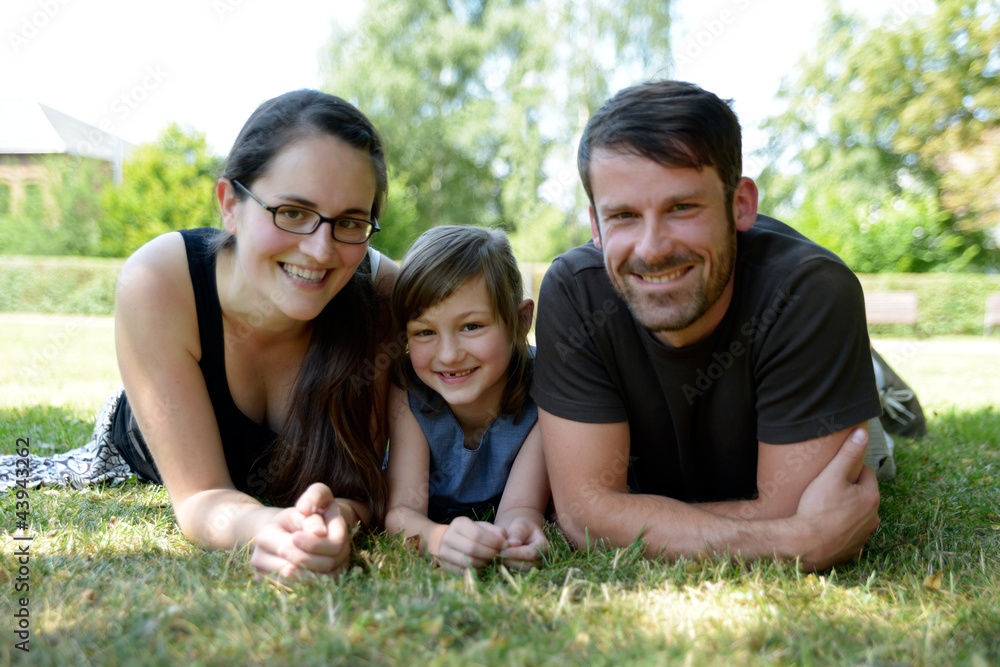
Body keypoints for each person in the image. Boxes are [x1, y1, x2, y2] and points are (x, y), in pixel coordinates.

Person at [0, 90, 397, 578]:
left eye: (351, 221)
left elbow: (367, 487)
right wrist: (270, 527)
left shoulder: (383, 295)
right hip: (137, 452)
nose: (320, 250)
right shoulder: (159, 280)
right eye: (292, 212)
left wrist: (337, 518)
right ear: (230, 203)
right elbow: (199, 497)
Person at [531, 80, 882, 571]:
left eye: (681, 208)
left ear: (741, 204)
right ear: (595, 224)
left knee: (872, 436)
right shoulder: (574, 291)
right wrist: (796, 542)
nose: (652, 249)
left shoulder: (811, 291)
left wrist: (629, 516)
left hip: (802, 347)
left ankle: (874, 375)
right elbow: (584, 515)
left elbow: (786, 507)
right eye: (624, 216)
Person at [384, 225, 550, 572]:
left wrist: (515, 535)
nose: (448, 355)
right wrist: (438, 539)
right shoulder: (408, 389)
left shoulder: (546, 386)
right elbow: (401, 513)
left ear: (521, 322)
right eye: (425, 332)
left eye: (471, 326)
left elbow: (521, 508)